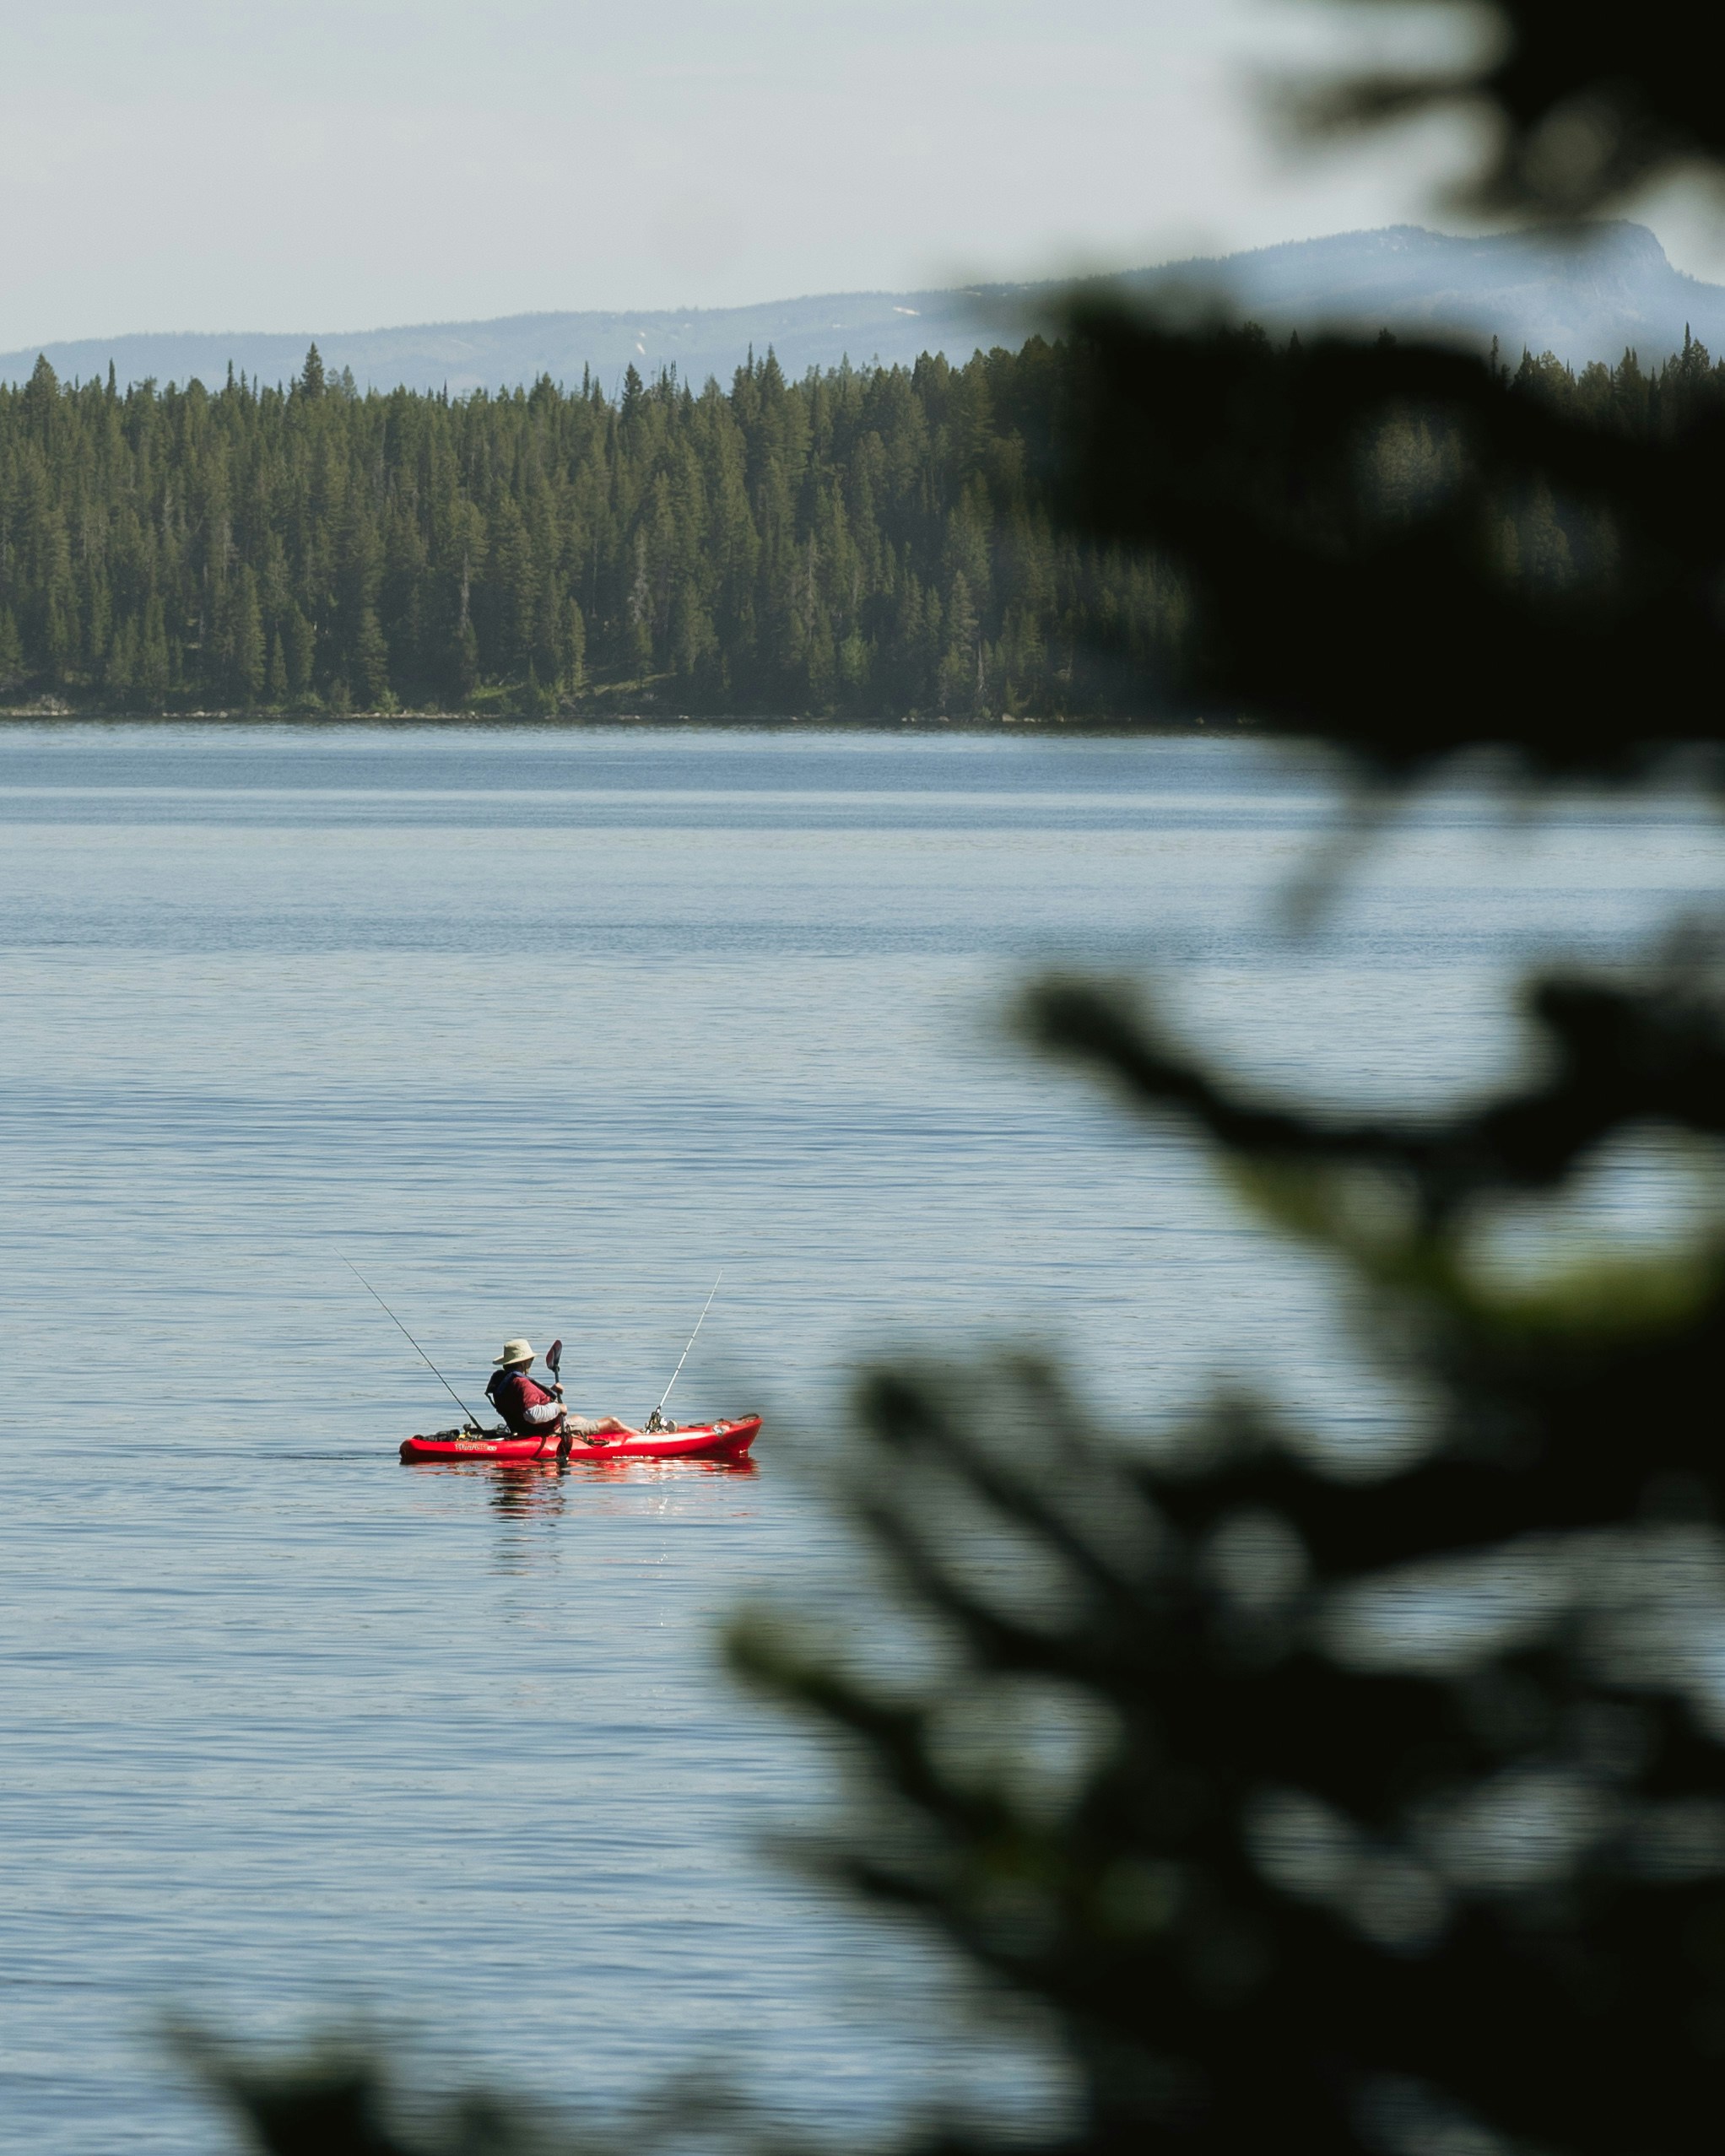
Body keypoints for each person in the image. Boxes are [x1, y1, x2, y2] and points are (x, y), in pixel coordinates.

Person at [484, 1339, 630, 1445]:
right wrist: (558, 1407)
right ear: (524, 1362)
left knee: (579, 1419)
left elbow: (520, 1401)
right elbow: (532, 1415)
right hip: (548, 1433)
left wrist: (550, 1393)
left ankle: (636, 1432)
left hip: (527, 1429)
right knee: (613, 1422)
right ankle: (644, 1438)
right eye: (530, 1360)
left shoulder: (506, 1382)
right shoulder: (522, 1383)